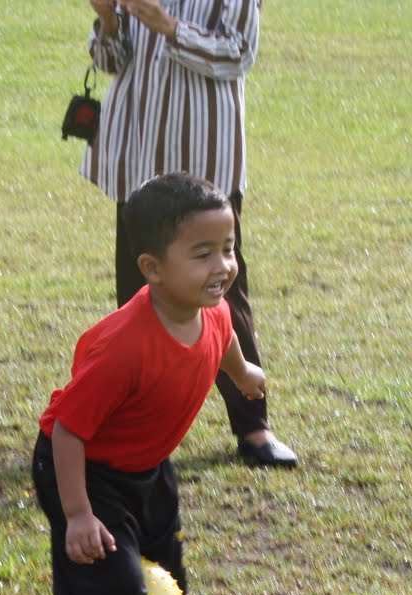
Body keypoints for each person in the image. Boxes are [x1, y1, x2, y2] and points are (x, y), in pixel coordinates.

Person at [33, 173, 266, 595]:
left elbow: (224, 341)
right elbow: (68, 431)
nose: (223, 266)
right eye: (203, 253)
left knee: (162, 579)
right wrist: (79, 513)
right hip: (85, 472)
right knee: (110, 594)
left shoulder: (208, 311)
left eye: (229, 249)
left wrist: (241, 375)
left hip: (147, 468)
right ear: (151, 268)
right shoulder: (123, 345)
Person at [82, 0, 298, 469]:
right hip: (140, 151)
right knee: (138, 286)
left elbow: (239, 54)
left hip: (204, 155)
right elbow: (110, 62)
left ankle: (252, 423)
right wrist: (109, 19)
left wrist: (167, 26)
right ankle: (134, 423)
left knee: (221, 286)